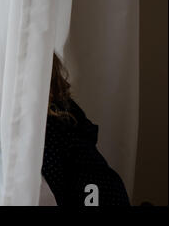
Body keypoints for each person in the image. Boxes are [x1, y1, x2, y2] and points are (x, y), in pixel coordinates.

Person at [42, 53, 131, 206]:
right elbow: (89, 132)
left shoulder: (49, 125)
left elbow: (55, 179)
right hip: (109, 186)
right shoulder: (65, 105)